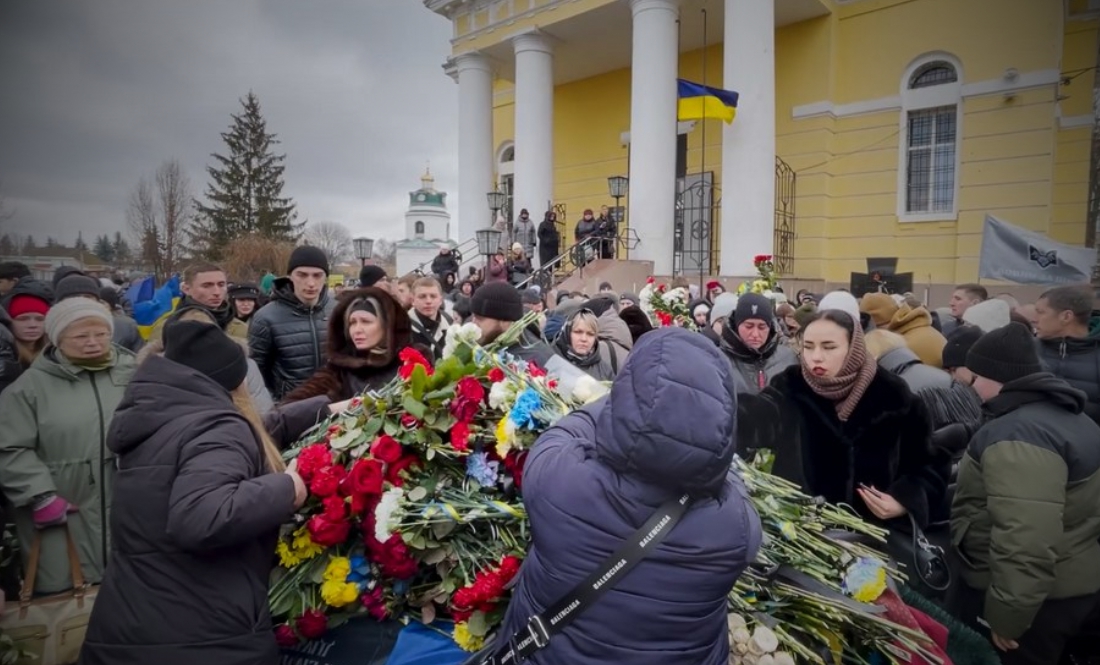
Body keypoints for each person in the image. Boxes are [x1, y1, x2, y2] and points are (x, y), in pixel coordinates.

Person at [498, 328, 762, 665]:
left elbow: (569, 427)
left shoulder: (557, 479)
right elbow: (730, 476)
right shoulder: (735, 528)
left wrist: (627, 401)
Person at [79, 321, 311, 665]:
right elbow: (204, 515)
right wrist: (287, 487)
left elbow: (227, 449)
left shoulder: (166, 415)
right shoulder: (217, 426)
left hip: (131, 627)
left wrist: (323, 409)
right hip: (205, 637)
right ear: (230, 378)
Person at [949, 323, 1100, 665]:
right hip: (1071, 583)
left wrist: (1008, 617)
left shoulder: (1019, 435)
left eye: (974, 377)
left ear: (994, 376)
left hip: (1036, 604)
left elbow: (1026, 536)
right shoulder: (1068, 416)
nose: (971, 387)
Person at [737, 309, 947, 530]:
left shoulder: (895, 398)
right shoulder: (789, 388)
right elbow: (754, 417)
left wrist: (904, 500)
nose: (815, 356)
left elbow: (930, 466)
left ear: (853, 349)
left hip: (875, 539)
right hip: (805, 534)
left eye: (829, 347)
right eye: (808, 346)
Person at [0, 298, 137, 596]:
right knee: (65, 603)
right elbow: (9, 448)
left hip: (126, 504)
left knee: (128, 596)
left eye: (101, 334)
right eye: (80, 336)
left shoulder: (132, 373)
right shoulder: (28, 389)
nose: (92, 343)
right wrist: (40, 495)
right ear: (57, 338)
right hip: (62, 509)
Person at [283, 287, 417, 403]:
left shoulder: (412, 360)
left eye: (366, 321)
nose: (357, 329)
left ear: (386, 325)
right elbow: (290, 411)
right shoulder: (338, 369)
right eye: (352, 322)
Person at [249, 246, 335, 400]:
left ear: (325, 277)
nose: (310, 283)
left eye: (317, 275)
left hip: (334, 405)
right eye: (302, 275)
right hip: (290, 409)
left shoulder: (338, 310)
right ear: (290, 276)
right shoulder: (266, 317)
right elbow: (257, 373)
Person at [1033, 284, 1100, 424]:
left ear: (1066, 316)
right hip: (1030, 439)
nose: (1034, 319)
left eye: (1040, 312)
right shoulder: (1027, 348)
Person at [719, 293, 798, 393]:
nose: (755, 334)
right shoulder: (719, 360)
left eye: (762, 327)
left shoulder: (788, 359)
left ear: (770, 327)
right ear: (737, 325)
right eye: (749, 326)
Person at [407, 276, 452, 360]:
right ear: (412, 300)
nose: (428, 301)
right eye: (422, 296)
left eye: (433, 296)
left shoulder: (450, 326)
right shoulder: (401, 328)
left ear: (440, 300)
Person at [98, 286, 144, 353]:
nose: (97, 305)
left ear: (110, 305)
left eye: (102, 303)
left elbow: (139, 353)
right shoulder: (82, 323)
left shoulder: (128, 325)